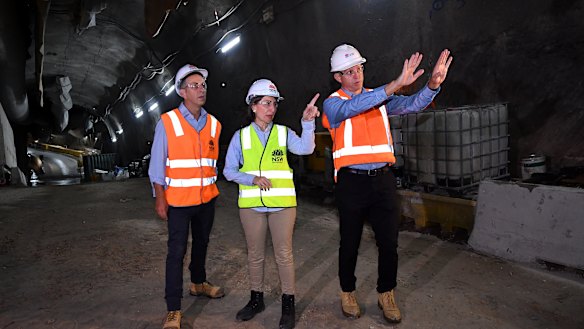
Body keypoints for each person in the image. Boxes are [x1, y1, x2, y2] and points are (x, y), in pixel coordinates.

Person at [322, 44, 453, 323]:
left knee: (389, 243)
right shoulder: (333, 104)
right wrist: (394, 85)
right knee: (350, 242)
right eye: (348, 72)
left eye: (358, 69)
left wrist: (431, 85)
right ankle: (347, 292)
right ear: (337, 77)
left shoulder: (379, 98)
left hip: (382, 180)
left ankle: (386, 293)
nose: (356, 75)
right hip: (351, 183)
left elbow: (411, 104)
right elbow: (353, 107)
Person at [223, 79, 320, 329]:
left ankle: (288, 303)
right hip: (252, 206)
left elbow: (306, 149)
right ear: (253, 106)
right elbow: (228, 170)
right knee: (255, 255)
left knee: (284, 255)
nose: (271, 108)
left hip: (283, 205)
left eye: (274, 103)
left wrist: (308, 123)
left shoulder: (283, 133)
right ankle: (256, 300)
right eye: (266, 103)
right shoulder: (241, 137)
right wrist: (252, 179)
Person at [148, 64, 225, 329]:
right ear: (182, 92)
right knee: (176, 252)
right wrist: (160, 198)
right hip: (179, 202)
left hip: (206, 199)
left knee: (202, 243)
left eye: (203, 85)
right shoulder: (168, 122)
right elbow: (157, 165)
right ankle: (173, 308)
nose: (201, 89)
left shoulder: (214, 124)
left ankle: (198, 283)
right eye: (194, 85)